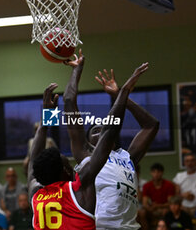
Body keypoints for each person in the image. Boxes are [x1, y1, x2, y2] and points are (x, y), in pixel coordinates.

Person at [29, 64, 136, 230]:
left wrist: (46, 121)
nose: (74, 168)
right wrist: (122, 93)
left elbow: (33, 162)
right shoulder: (78, 189)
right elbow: (108, 134)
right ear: (65, 172)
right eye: (69, 165)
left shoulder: (36, 195)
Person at [65, 50, 159, 229]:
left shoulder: (127, 157)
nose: (101, 130)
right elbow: (69, 101)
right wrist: (77, 70)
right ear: (88, 142)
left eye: (104, 128)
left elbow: (151, 125)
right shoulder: (85, 155)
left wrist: (119, 96)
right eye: (95, 130)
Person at [140, 163, 175, 229]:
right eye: (154, 172)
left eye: (158, 172)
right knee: (142, 212)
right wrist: (150, 208)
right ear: (151, 173)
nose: (156, 174)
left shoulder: (169, 185)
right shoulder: (147, 185)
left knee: (166, 211)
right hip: (153, 208)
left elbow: (171, 202)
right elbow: (145, 203)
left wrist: (158, 206)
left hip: (164, 207)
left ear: (162, 173)